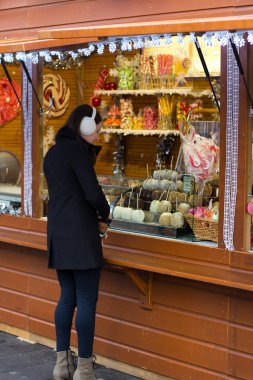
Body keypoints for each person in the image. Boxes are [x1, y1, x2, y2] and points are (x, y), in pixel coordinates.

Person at [43, 104, 111, 380]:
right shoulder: (77, 152)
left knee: (67, 298)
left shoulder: (53, 152)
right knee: (85, 299)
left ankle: (61, 364)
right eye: (97, 127)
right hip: (82, 236)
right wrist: (106, 214)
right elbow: (93, 193)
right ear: (84, 125)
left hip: (58, 234)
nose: (99, 132)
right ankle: (83, 368)